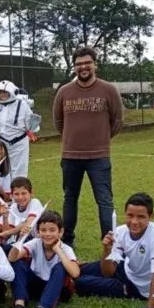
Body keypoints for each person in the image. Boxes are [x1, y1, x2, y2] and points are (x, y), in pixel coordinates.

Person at [52, 46, 124, 247]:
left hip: (99, 157)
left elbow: (117, 121)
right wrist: (72, 139)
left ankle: (109, 243)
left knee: (104, 201)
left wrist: (100, 140)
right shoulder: (64, 92)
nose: (83, 67)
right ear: (74, 67)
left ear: (95, 65)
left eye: (87, 63)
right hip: (70, 156)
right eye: (78, 64)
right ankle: (67, 240)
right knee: (70, 199)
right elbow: (58, 122)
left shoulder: (108, 90)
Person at [75, 193, 154, 300]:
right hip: (125, 268)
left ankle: (70, 283)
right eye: (130, 215)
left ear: (151, 216)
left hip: (136, 287)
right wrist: (107, 250)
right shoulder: (120, 231)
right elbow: (108, 272)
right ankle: (60, 275)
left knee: (81, 283)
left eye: (141, 217)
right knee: (78, 270)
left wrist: (151, 306)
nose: (134, 222)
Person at [0, 210, 79, 308]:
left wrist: (59, 251)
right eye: (43, 230)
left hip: (59, 291)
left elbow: (76, 273)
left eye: (52, 230)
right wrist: (21, 239)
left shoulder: (65, 248)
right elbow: (12, 258)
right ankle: (19, 307)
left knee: (61, 267)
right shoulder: (36, 243)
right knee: (18, 262)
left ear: (60, 232)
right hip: (36, 286)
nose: (47, 234)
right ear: (37, 231)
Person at [0, 80, 38, 178]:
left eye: (5, 92)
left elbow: (29, 127)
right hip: (1, 144)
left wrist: (33, 125)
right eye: (0, 92)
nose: (2, 95)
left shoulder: (22, 105)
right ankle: (4, 192)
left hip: (19, 144)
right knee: (1, 172)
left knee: (19, 173)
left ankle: (18, 192)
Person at [0, 177, 44, 247]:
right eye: (16, 194)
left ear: (31, 193)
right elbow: (6, 237)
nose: (20, 197)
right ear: (11, 196)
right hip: (25, 242)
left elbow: (27, 226)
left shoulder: (35, 202)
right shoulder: (13, 207)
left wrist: (6, 233)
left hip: (39, 241)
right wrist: (5, 217)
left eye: (24, 193)